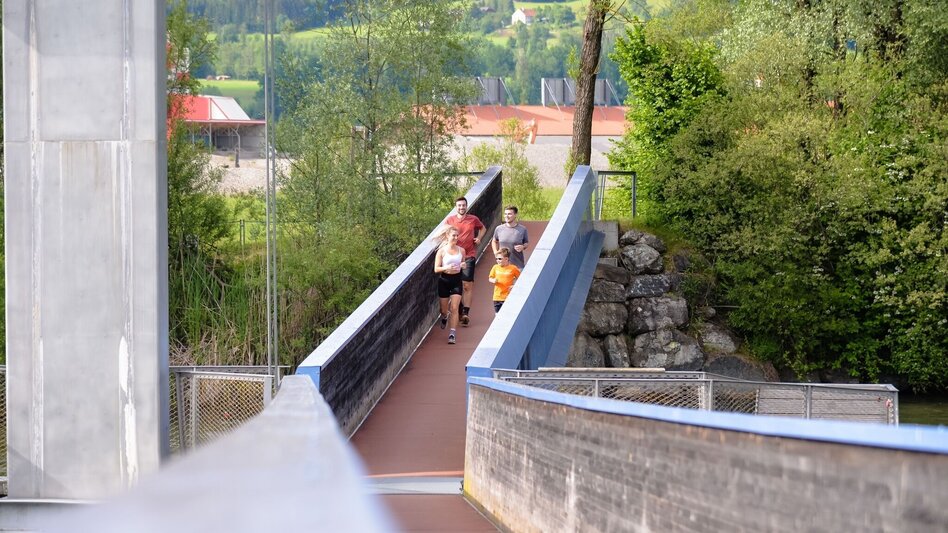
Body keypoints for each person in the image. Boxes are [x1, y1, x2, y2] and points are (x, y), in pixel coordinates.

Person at [444, 196, 485, 327]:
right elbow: (444, 234)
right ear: (456, 207)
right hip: (454, 257)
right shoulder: (450, 220)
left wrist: (478, 238)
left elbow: (483, 228)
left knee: (467, 285)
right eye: (459, 205)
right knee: (456, 284)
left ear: (466, 206)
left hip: (469, 255)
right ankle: (460, 309)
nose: (462, 207)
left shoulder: (473, 219)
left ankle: (466, 313)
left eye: (463, 205)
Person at [434, 225, 464, 344]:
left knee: (455, 308)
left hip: (457, 280)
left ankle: (452, 333)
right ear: (447, 236)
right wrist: (446, 267)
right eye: (453, 235)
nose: (456, 237)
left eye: (457, 235)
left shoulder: (461, 250)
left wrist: (463, 265)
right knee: (443, 309)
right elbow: (436, 269)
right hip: (444, 281)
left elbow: (463, 263)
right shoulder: (441, 251)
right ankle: (445, 317)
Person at [491, 205, 529, 270]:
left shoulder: (522, 229)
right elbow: (494, 241)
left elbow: (526, 243)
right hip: (502, 266)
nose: (507, 216)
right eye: (505, 214)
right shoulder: (499, 228)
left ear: (515, 215)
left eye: (509, 214)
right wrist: (495, 252)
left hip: (517, 266)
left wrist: (523, 247)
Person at [488, 247, 521, 313]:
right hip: (497, 297)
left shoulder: (513, 268)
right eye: (496, 259)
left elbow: (521, 279)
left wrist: (514, 286)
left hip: (508, 297)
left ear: (506, 259)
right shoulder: (495, 267)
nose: (497, 260)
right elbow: (490, 278)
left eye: (500, 259)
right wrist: (493, 280)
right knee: (497, 315)